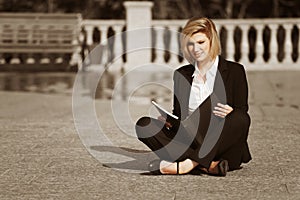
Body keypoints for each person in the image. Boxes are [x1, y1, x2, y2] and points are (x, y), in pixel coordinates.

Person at [135, 17, 251, 176]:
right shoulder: (181, 74)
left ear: (212, 41)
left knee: (240, 117)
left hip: (221, 142)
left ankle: (187, 165)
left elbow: (242, 110)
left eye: (201, 42)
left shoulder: (235, 71)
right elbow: (179, 114)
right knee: (144, 125)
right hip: (190, 138)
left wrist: (230, 112)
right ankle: (207, 166)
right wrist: (171, 121)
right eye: (190, 44)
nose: (196, 49)